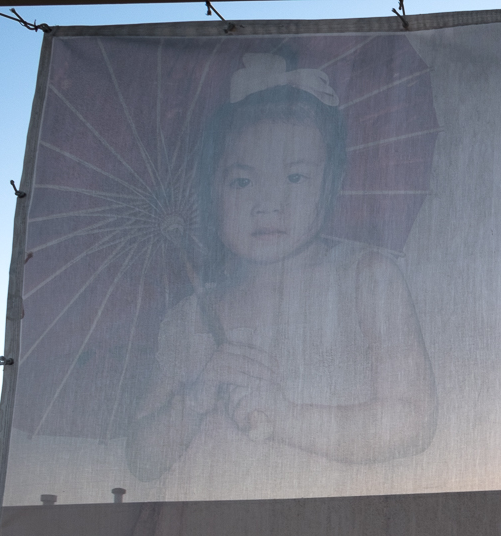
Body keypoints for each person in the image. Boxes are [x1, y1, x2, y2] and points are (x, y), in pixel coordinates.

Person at [127, 51, 436, 485]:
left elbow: (413, 419)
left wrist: (287, 418)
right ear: (212, 193)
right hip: (219, 513)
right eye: (242, 181)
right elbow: (141, 459)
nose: (268, 204)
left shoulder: (366, 279)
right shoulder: (191, 317)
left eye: (295, 178)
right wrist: (195, 398)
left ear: (331, 183)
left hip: (334, 508)